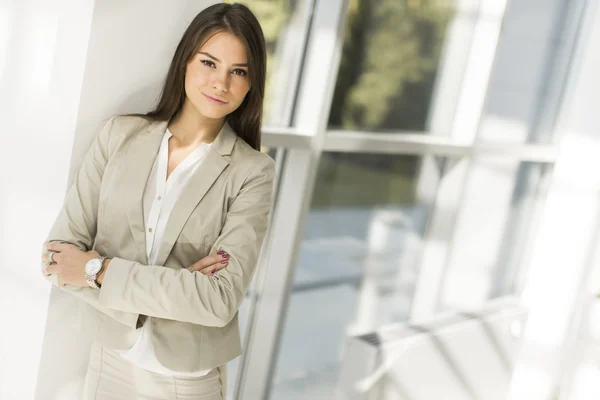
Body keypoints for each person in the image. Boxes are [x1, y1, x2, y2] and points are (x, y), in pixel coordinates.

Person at [40, 3, 274, 399]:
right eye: (209, 63)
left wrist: (97, 269)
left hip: (188, 379)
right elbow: (57, 260)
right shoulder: (119, 136)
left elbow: (217, 301)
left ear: (251, 84)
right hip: (109, 360)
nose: (221, 83)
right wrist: (176, 290)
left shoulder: (253, 172)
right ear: (185, 61)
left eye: (239, 71)